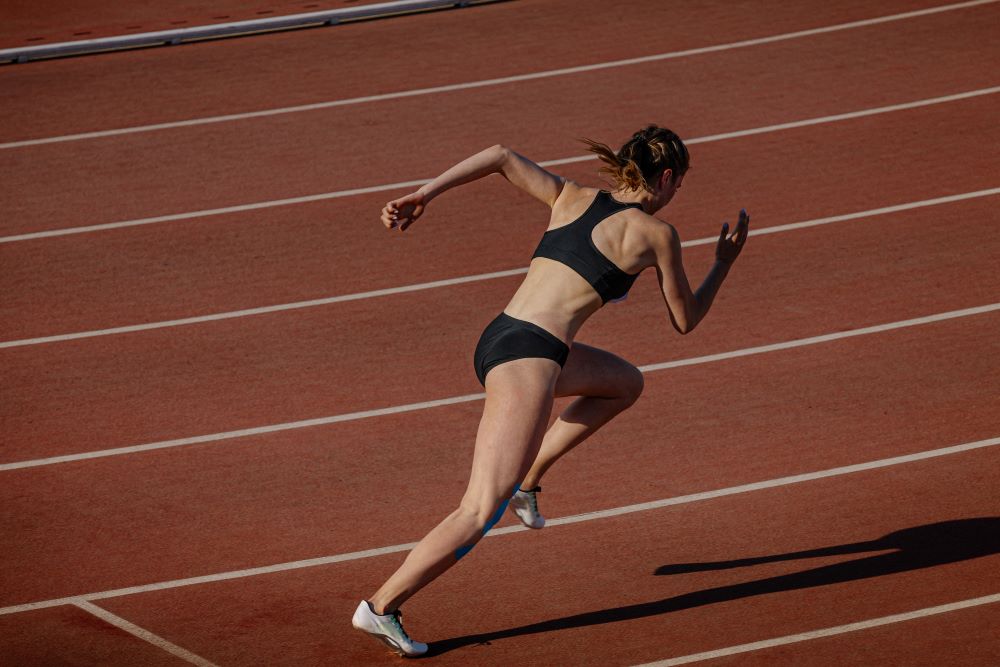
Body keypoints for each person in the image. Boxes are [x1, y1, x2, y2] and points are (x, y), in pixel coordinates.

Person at [351, 126, 749, 657]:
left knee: (624, 383)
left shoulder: (572, 196)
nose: (679, 195)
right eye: (681, 185)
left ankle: (529, 481)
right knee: (478, 508)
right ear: (668, 177)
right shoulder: (657, 234)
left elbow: (498, 154)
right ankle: (381, 607)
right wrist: (722, 264)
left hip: (503, 335)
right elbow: (685, 320)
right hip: (531, 358)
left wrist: (423, 195)